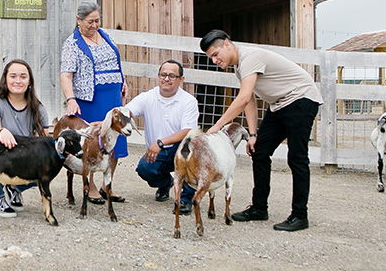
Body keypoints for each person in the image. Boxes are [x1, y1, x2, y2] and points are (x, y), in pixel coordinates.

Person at [200, 29, 322, 232]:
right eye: (210, 57)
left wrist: (216, 126)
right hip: (279, 105)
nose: (214, 60)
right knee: (260, 152)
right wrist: (253, 135)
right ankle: (259, 208)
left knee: (297, 158)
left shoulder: (250, 57)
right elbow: (250, 99)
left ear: (227, 45)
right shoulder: (240, 67)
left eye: (215, 55)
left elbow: (243, 98)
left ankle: (300, 215)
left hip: (301, 99)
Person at [124, 59, 200, 212]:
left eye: (172, 76)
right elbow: (126, 112)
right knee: (144, 169)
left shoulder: (188, 101)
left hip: (180, 148)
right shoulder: (147, 97)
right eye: (163, 74)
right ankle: (166, 183)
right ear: (158, 76)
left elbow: (187, 131)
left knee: (192, 147)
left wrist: (160, 142)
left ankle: (186, 199)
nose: (166, 79)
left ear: (181, 80)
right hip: (158, 151)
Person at [0, 59, 50, 218]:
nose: (18, 81)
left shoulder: (38, 107)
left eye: (23, 77)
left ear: (29, 81)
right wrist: (1, 131)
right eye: (13, 76)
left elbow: (45, 138)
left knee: (49, 162)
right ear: (5, 79)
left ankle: (14, 188)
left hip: (24, 152)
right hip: (0, 150)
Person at [60, 2, 128, 163]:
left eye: (97, 20)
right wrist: (71, 100)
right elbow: (66, 76)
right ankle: (90, 186)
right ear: (78, 20)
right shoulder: (72, 44)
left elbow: (114, 60)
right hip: (91, 100)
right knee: (91, 143)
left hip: (112, 97)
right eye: (90, 22)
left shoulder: (104, 34)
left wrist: (122, 80)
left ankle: (107, 185)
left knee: (114, 139)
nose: (95, 25)